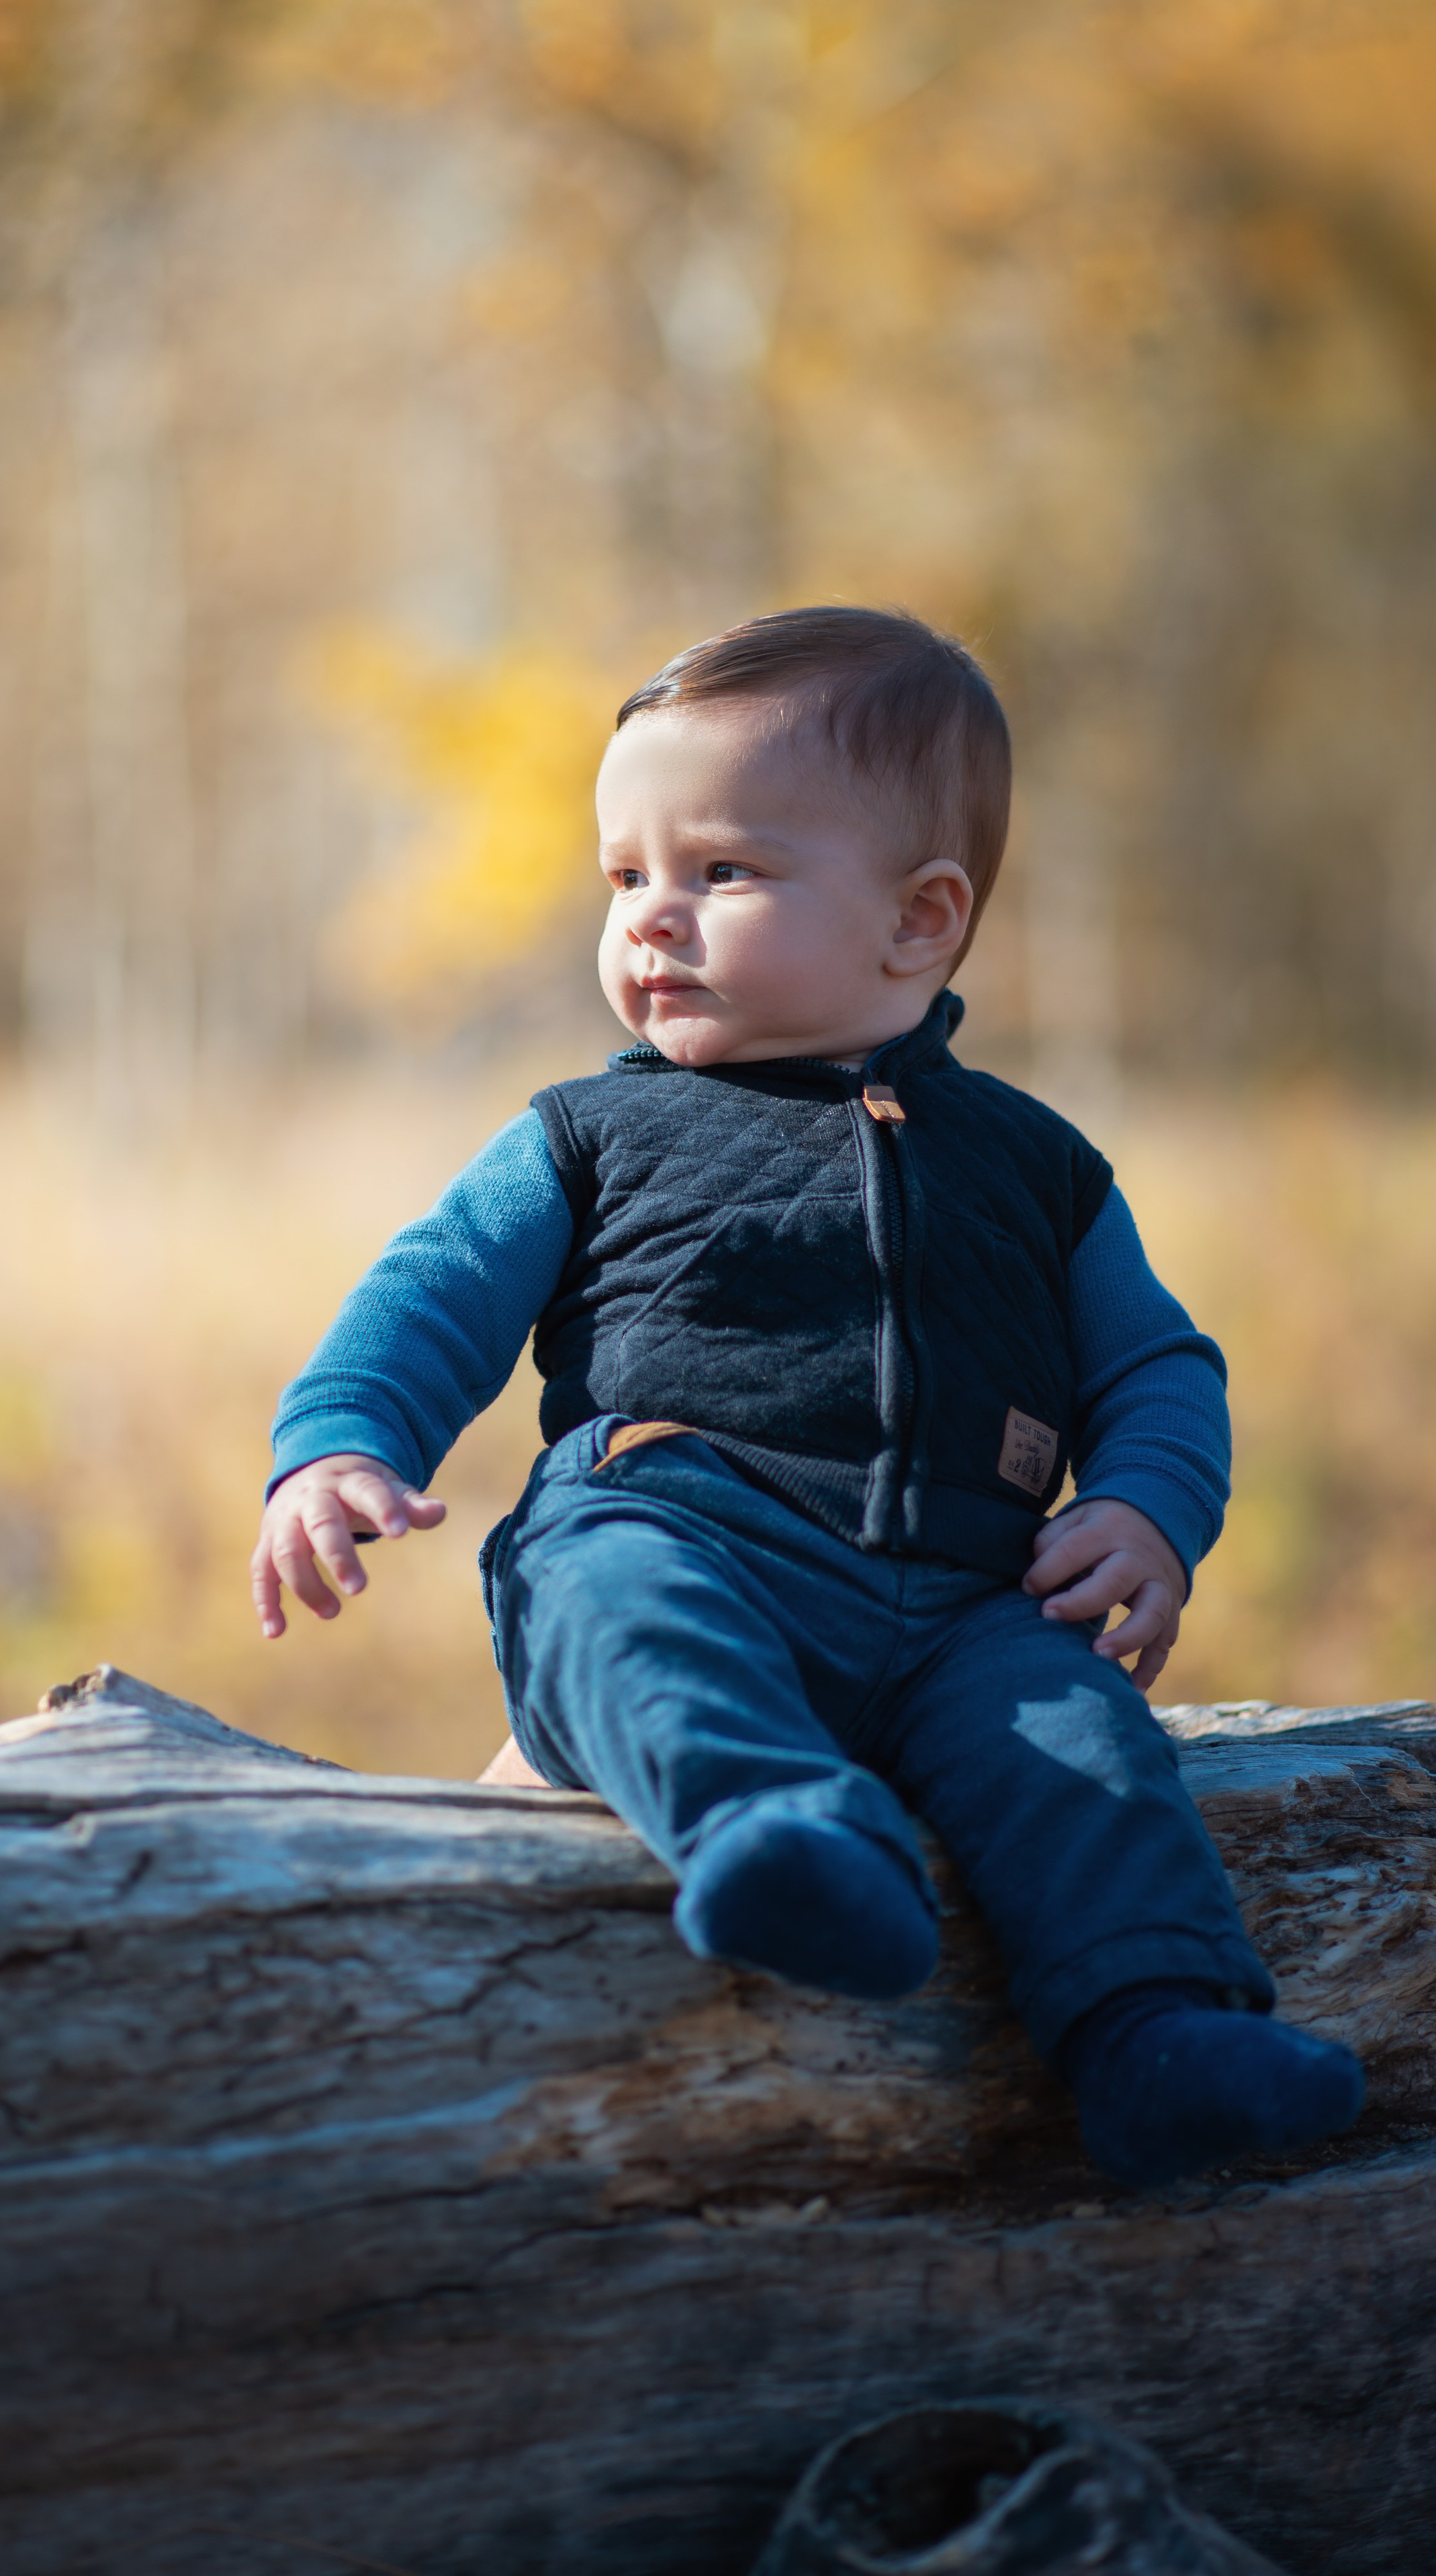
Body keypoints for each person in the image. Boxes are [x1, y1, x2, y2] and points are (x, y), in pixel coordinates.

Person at [251, 606, 1363, 2190]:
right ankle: (774, 1835)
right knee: (615, 1604)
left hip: (970, 1610)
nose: (648, 917)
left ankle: (1156, 2035)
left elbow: (1154, 1367)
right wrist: (339, 1443)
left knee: (1087, 1753)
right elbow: (430, 1294)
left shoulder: (1038, 1169)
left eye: (718, 871)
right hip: (684, 1530)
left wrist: (1142, 1508)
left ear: (917, 919)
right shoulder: (588, 1135)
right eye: (620, 876)